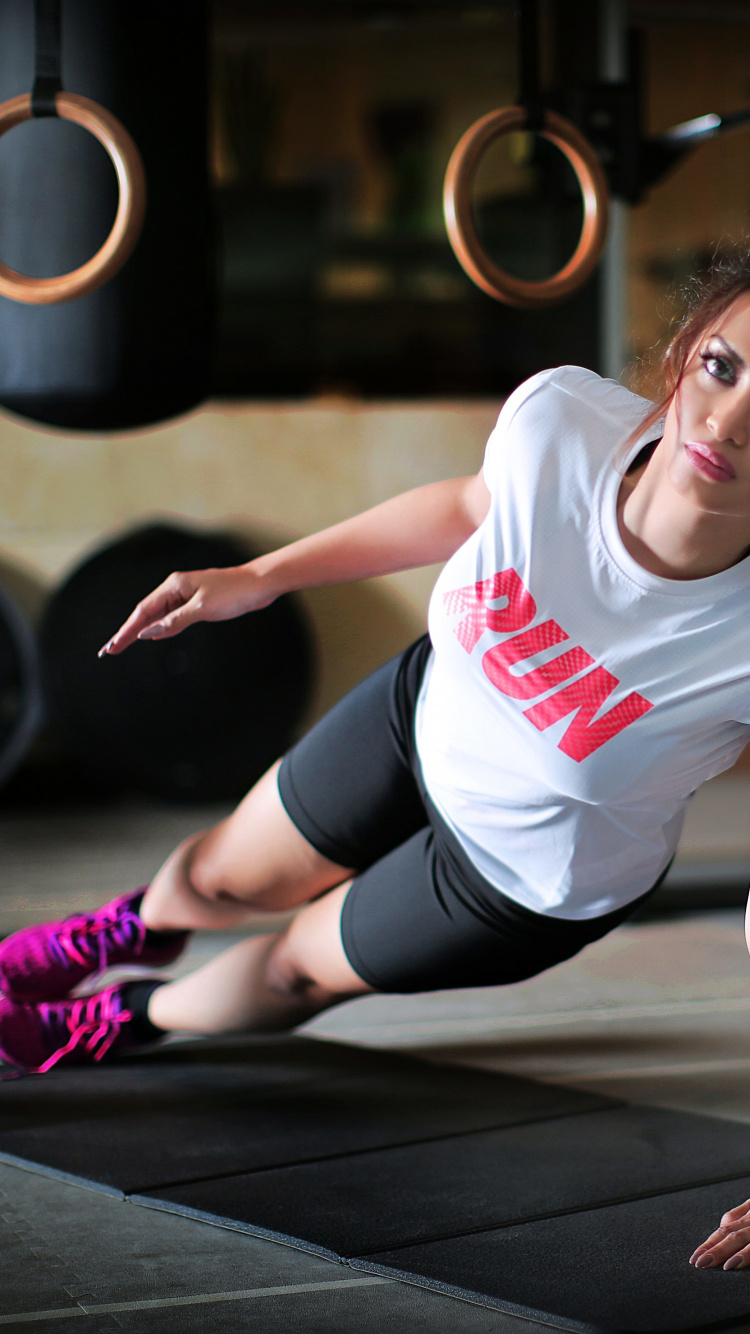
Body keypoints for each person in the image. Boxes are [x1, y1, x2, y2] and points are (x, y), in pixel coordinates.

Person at [2, 255, 750, 1271]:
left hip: (517, 875)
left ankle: (116, 1016)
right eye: (722, 366)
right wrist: (260, 576)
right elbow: (470, 505)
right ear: (683, 355)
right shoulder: (565, 422)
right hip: (424, 712)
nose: (728, 421)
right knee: (213, 877)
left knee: (291, 967)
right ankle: (126, 928)